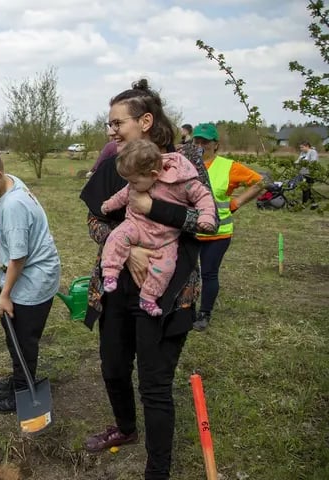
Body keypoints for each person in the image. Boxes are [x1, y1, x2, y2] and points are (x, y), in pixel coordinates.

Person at [79, 79, 217, 479]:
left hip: (170, 291)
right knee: (113, 366)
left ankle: (157, 470)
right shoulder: (112, 162)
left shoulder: (185, 162)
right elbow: (94, 220)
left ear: (145, 121)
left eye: (116, 122)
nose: (110, 131)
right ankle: (124, 428)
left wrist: (154, 207)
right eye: (109, 124)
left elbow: (206, 225)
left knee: (154, 385)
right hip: (117, 286)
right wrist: (130, 250)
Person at [0, 137, 61, 413]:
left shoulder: (13, 206)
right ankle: (19, 377)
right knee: (13, 333)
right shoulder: (7, 182)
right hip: (25, 274)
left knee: (22, 338)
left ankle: (21, 393)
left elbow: (19, 258)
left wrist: (5, 295)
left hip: (33, 278)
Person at [100, 139, 216, 316]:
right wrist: (109, 204)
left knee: (165, 267)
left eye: (134, 182)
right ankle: (110, 271)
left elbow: (204, 198)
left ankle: (149, 297)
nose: (131, 185)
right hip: (136, 226)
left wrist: (206, 216)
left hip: (166, 238)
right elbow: (123, 195)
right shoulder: (138, 178)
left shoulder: (184, 181)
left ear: (154, 175)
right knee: (116, 236)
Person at [191, 123, 264, 331]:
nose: (200, 144)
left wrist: (237, 202)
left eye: (205, 141)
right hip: (188, 231)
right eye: (197, 140)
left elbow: (259, 183)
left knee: (209, 273)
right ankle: (185, 310)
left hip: (217, 233)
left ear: (216, 145)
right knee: (185, 272)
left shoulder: (228, 167)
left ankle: (204, 313)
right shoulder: (186, 163)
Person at [296, 141, 318, 206]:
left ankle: (304, 204)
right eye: (300, 147)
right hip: (303, 173)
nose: (301, 149)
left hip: (310, 173)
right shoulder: (302, 153)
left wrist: (304, 163)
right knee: (306, 188)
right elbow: (298, 160)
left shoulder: (313, 152)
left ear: (307, 146)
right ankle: (314, 203)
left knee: (305, 188)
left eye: (302, 147)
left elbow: (313, 162)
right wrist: (295, 163)